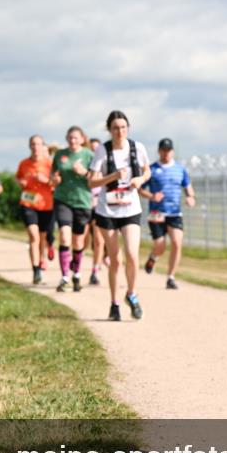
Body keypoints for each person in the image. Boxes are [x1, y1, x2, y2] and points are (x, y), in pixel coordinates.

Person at [87, 110, 150, 321]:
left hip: (131, 209)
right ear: (109, 129)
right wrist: (113, 176)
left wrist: (139, 181)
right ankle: (114, 303)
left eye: (123, 127)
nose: (120, 131)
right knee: (115, 259)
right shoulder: (102, 152)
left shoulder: (137, 147)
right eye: (115, 128)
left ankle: (131, 294)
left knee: (132, 254)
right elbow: (92, 182)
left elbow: (146, 170)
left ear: (128, 128)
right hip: (108, 211)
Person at [141, 138, 195, 289]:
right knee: (160, 245)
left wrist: (191, 197)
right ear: (159, 151)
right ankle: (153, 258)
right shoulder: (151, 169)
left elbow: (188, 187)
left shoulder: (180, 169)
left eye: (168, 150)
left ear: (172, 152)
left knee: (177, 243)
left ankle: (171, 277)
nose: (166, 153)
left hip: (174, 213)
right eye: (163, 150)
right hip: (156, 213)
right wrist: (151, 196)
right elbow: (140, 189)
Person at [51, 126, 95, 292]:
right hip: (63, 199)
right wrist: (54, 179)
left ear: (82, 139)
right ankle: (64, 277)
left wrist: (84, 172)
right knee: (64, 236)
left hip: (82, 201)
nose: (72, 140)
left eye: (76, 138)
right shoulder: (60, 155)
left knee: (78, 241)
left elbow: (96, 179)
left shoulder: (89, 155)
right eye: (69, 137)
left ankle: (76, 273)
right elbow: (53, 177)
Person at [16, 135, 55, 284]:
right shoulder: (23, 163)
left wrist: (45, 180)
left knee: (42, 239)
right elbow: (18, 177)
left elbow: (56, 183)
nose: (35, 147)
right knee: (34, 236)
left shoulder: (50, 164)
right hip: (28, 203)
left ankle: (41, 259)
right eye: (33, 144)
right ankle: (36, 270)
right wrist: (22, 181)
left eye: (38, 144)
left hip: (46, 205)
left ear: (42, 146)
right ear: (29, 146)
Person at [87, 137, 106, 286]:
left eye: (96, 149)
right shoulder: (85, 165)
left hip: (99, 205)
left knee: (99, 240)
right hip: (83, 205)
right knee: (84, 239)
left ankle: (94, 271)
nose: (94, 151)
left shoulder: (106, 166)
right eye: (92, 149)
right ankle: (75, 263)